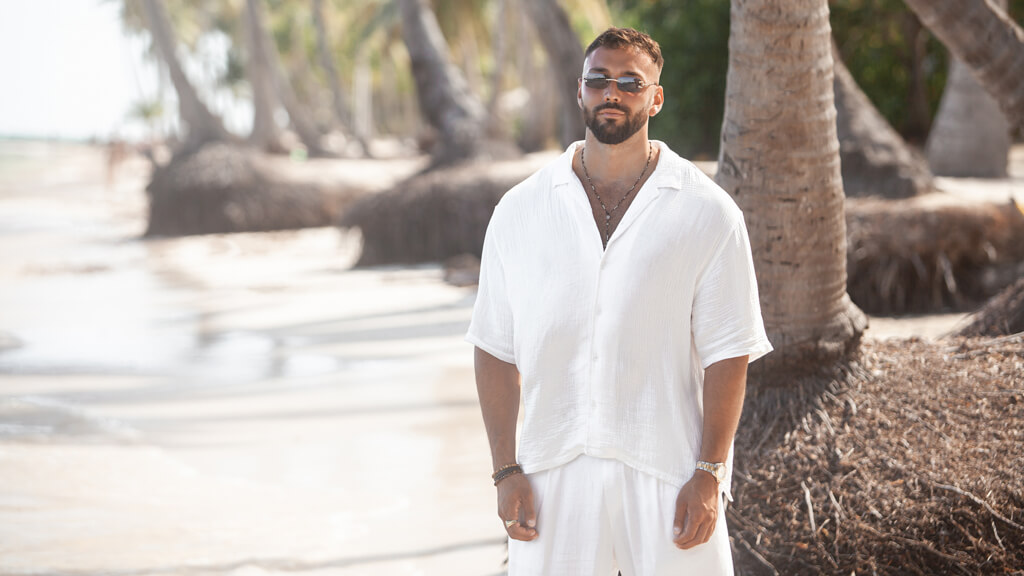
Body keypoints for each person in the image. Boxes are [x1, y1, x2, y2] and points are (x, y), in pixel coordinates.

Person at [466, 27, 772, 575]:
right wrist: (505, 471)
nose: (612, 92)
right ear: (579, 90)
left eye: (631, 82)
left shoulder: (708, 212)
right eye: (599, 80)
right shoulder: (519, 210)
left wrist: (710, 474)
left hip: (667, 467)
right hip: (550, 468)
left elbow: (728, 352)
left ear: (656, 98)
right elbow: (493, 347)